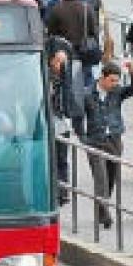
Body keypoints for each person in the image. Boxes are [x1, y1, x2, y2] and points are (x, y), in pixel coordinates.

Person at [83, 61, 133, 229]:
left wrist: (132, 72)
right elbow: (78, 115)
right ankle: (105, 214)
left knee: (111, 177)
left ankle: (101, 208)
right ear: (102, 77)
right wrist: (82, 136)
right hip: (95, 140)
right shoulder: (87, 94)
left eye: (117, 81)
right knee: (100, 178)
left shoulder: (116, 92)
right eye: (112, 80)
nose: (114, 84)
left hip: (114, 139)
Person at [47, 40, 84, 204]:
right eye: (58, 62)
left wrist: (77, 125)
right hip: (47, 123)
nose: (61, 66)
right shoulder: (42, 76)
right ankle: (53, 190)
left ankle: (62, 191)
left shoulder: (68, 77)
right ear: (51, 60)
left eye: (64, 63)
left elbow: (74, 100)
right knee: (50, 158)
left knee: (62, 158)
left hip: (62, 123)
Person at [45, 0, 100, 80]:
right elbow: (94, 30)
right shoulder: (86, 7)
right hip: (85, 51)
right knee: (86, 78)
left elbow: (51, 32)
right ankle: (88, 95)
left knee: (67, 80)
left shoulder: (57, 9)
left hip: (64, 52)